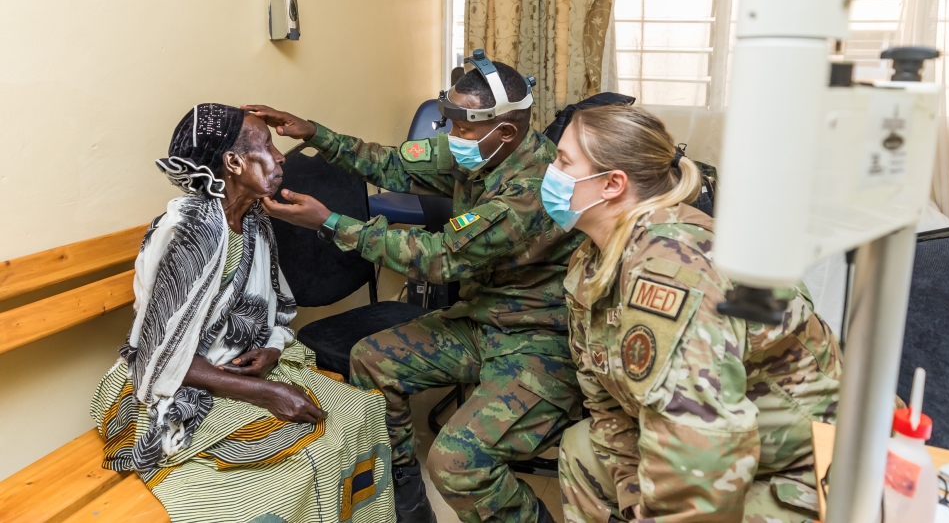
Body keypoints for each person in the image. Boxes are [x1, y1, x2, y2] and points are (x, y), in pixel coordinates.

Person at [245, 57, 583, 523]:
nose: (451, 138)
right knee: (373, 358)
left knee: (461, 465)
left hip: (537, 339)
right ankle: (403, 492)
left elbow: (441, 258)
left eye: (461, 128)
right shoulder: (481, 149)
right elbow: (390, 163)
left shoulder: (531, 190)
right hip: (483, 319)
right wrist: (314, 134)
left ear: (505, 131)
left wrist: (330, 223)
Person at [91, 103, 394, 523]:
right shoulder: (189, 232)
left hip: (238, 369)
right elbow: (158, 355)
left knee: (359, 412)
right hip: (176, 384)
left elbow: (277, 305)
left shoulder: (252, 219)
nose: (281, 156)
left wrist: (271, 346)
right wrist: (269, 393)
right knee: (288, 470)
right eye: (268, 145)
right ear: (233, 162)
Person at [547, 104, 843, 523]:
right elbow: (604, 399)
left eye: (563, 161)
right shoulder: (593, 260)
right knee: (582, 447)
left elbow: (701, 455)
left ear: (612, 183)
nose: (550, 170)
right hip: (723, 447)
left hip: (804, 466)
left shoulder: (673, 270)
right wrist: (633, 489)